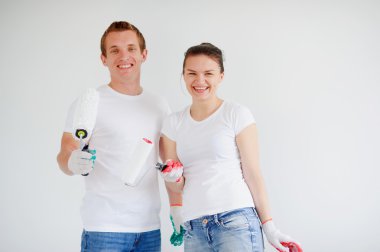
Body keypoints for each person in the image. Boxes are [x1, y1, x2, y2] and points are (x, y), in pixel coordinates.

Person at [159, 43, 301, 251]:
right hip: (194, 227)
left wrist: (269, 227)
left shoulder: (236, 114)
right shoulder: (173, 123)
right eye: (192, 73)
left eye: (209, 73)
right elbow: (176, 186)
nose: (200, 81)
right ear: (184, 75)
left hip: (236, 221)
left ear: (221, 76)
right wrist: (173, 179)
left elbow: (252, 173)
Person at [57, 21, 176, 252]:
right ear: (104, 59)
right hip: (104, 228)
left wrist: (178, 205)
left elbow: (171, 161)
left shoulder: (158, 105)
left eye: (131, 48)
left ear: (144, 54)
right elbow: (64, 153)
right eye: (115, 50)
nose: (124, 56)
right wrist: (71, 161)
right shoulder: (90, 102)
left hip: (149, 228)